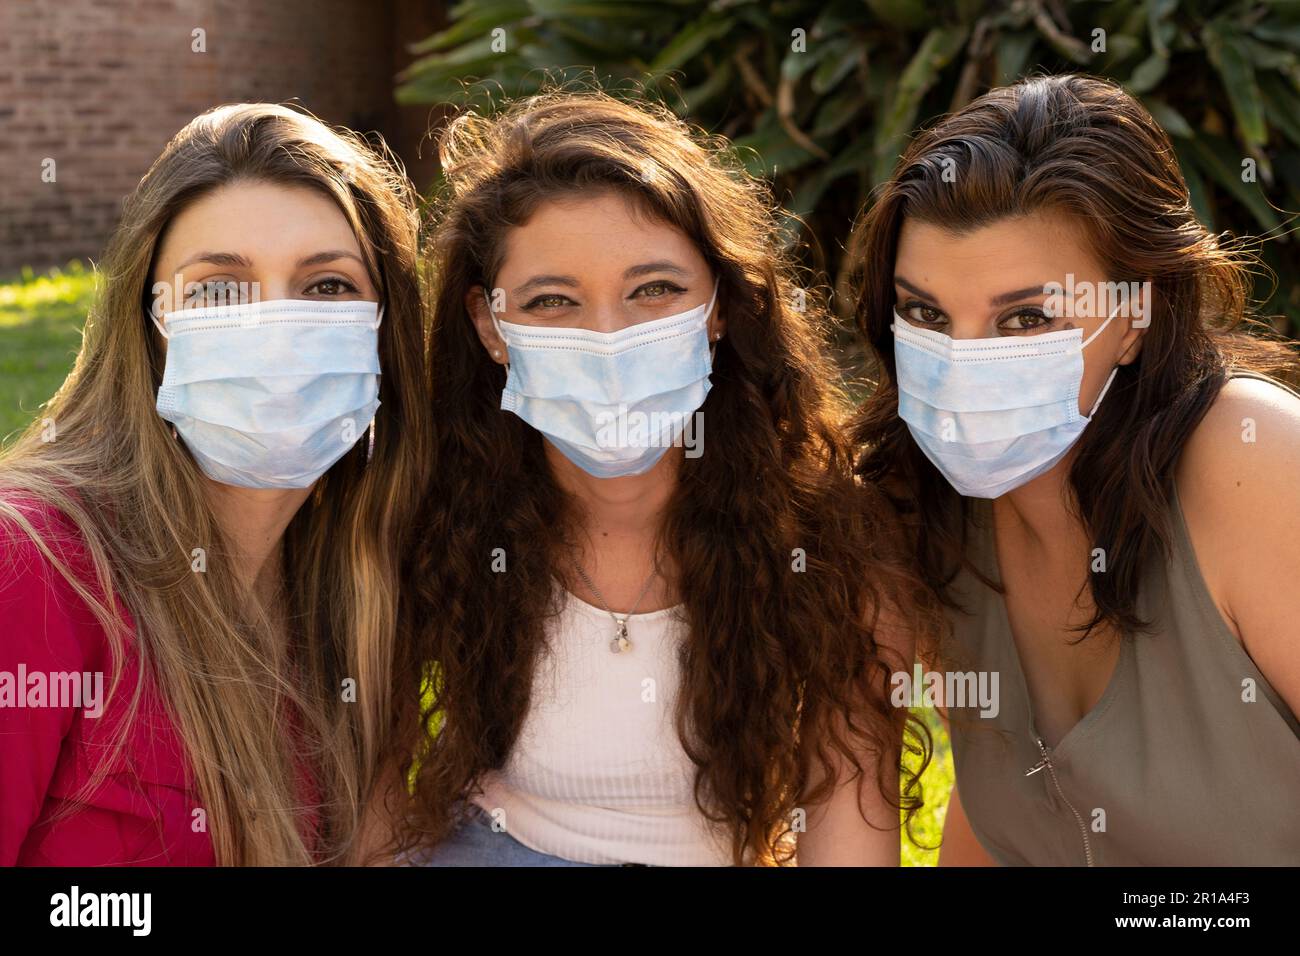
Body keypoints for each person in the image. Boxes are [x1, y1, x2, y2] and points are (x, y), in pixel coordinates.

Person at [383, 90, 940, 867]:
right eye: (552, 300)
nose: (609, 336)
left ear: (718, 304)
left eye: (654, 290)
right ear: (489, 325)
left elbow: (848, 809)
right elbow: (373, 796)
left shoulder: (828, 534)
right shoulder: (433, 509)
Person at [852, 73, 1300, 865]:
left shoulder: (1252, 461)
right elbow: (1018, 821)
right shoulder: (923, 506)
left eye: (1026, 318)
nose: (961, 365)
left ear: (1135, 319)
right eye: (925, 313)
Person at [0, 103, 430, 865]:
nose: (275, 328)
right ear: (149, 329)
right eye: (217, 289)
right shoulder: (32, 565)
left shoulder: (361, 599)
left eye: (327, 287)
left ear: (384, 333)